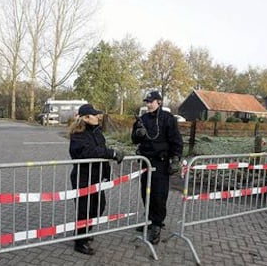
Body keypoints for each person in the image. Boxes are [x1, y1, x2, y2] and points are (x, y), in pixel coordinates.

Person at [69, 103, 124, 255]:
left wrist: (106, 173)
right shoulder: (78, 134)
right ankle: (80, 242)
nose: (98, 116)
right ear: (86, 118)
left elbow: (101, 154)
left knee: (99, 206)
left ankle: (85, 231)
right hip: (83, 177)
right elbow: (88, 152)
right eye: (94, 115)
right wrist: (111, 153)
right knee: (84, 210)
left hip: (97, 176)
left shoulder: (97, 131)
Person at [131, 91, 183, 244]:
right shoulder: (142, 119)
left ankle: (157, 225)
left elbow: (176, 140)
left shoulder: (168, 119)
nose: (148, 104)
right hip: (145, 162)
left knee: (159, 196)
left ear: (159, 102)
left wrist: (176, 159)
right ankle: (149, 219)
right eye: (146, 101)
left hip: (160, 163)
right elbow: (133, 139)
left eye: (151, 101)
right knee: (145, 193)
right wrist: (138, 134)